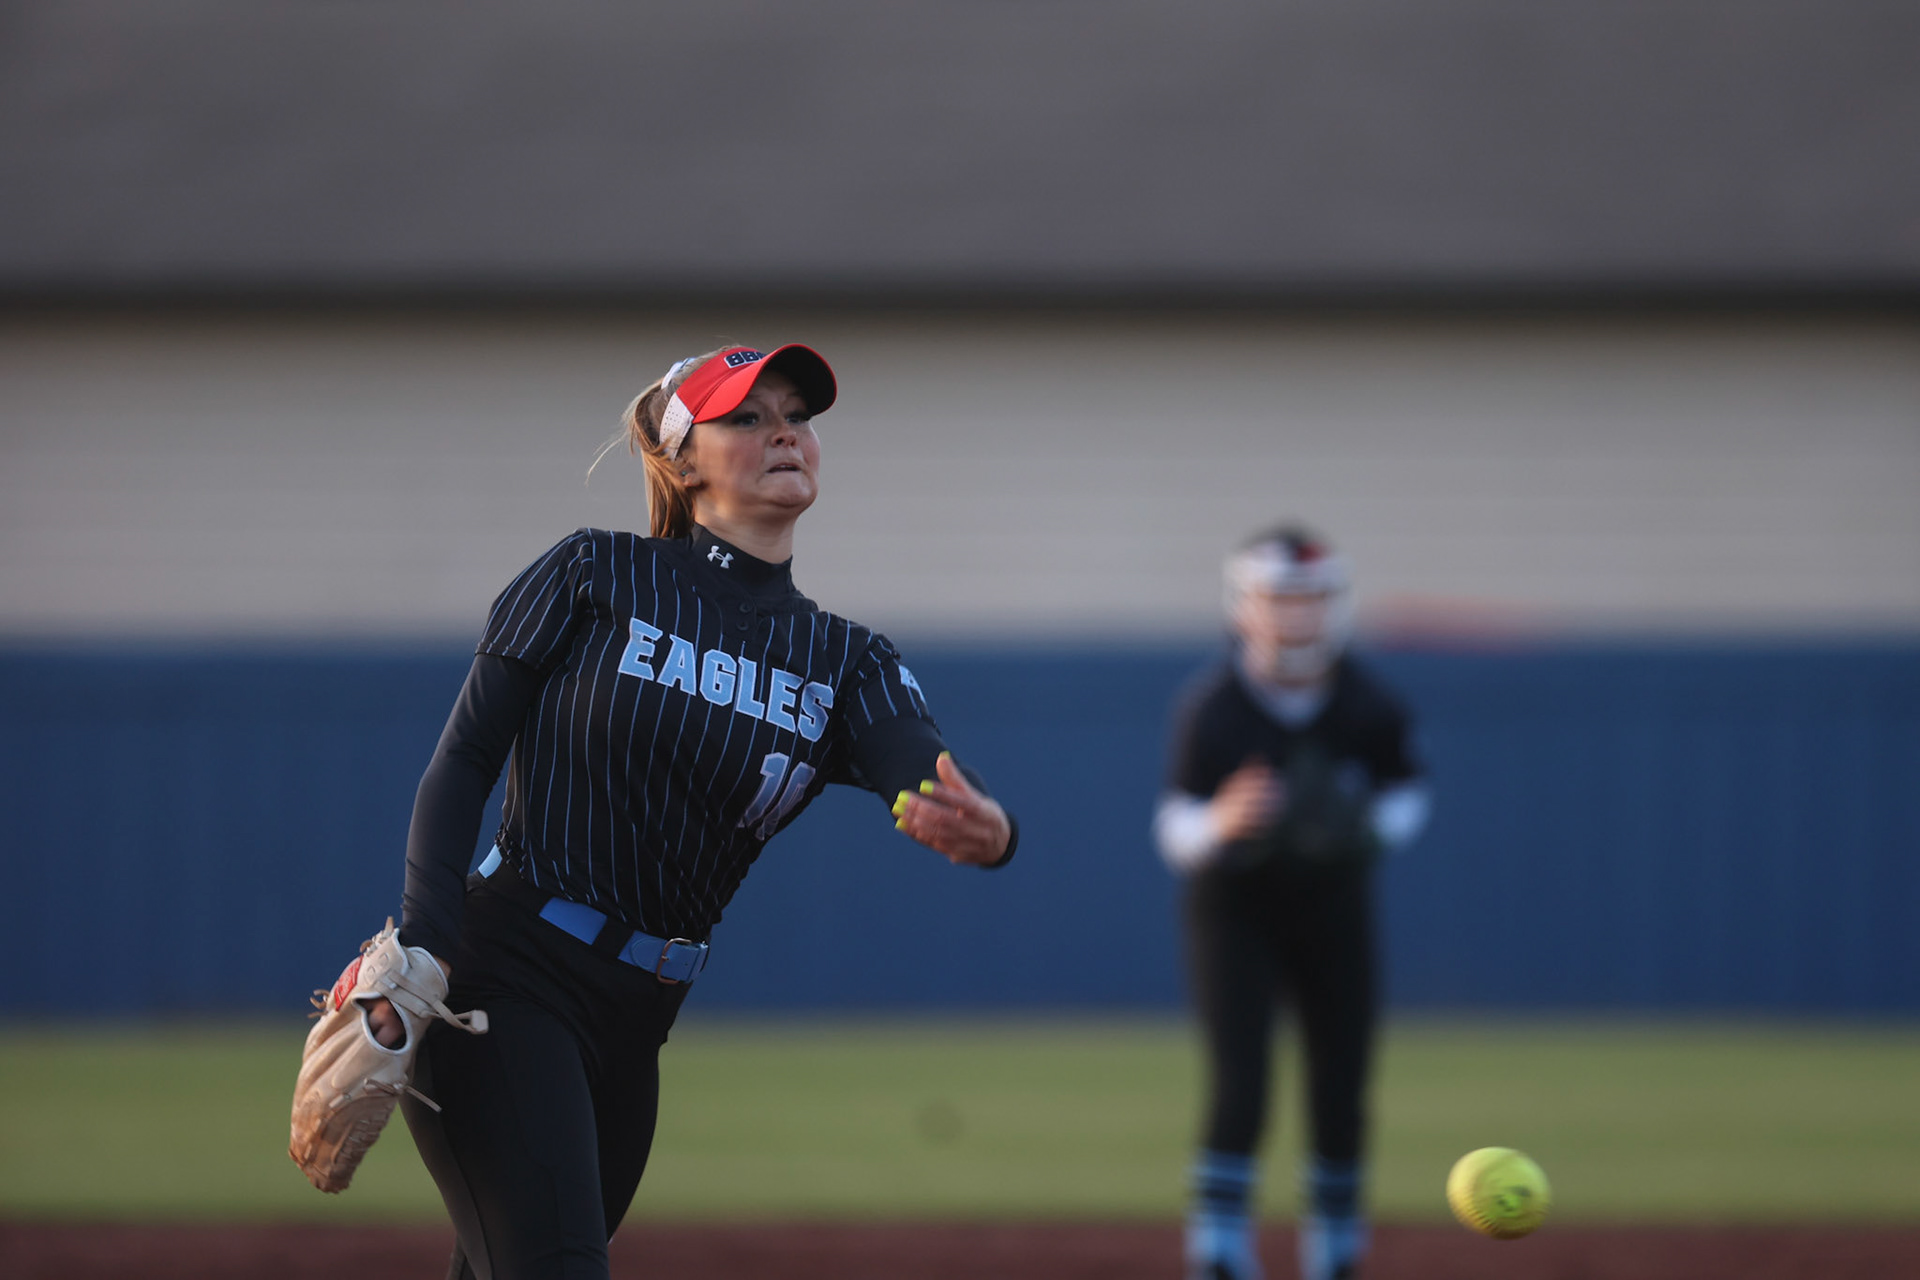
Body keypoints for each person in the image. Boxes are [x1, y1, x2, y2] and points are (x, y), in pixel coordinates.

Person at [370, 344, 1018, 1280]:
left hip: (636, 1026)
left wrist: (988, 830)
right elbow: (464, 760)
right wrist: (423, 949)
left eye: (796, 414)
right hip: (504, 979)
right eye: (746, 417)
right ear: (683, 461)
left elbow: (924, 771)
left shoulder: (848, 663)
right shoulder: (594, 574)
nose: (784, 432)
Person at [1154, 525, 1429, 1280]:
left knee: (1342, 1079)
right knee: (1242, 1078)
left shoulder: (1369, 702)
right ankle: (1218, 1246)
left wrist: (1363, 830)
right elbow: (1172, 828)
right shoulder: (1213, 707)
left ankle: (1336, 1249)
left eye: (1308, 599)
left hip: (1334, 903)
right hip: (1234, 907)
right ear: (1245, 606)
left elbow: (1409, 793)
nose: (1294, 616)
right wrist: (1223, 820)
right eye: (1279, 598)